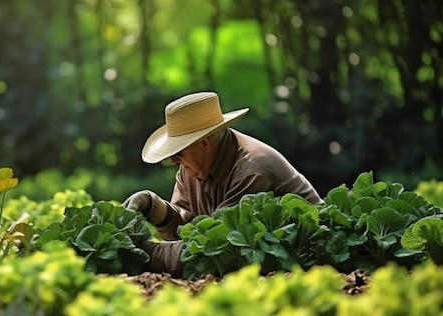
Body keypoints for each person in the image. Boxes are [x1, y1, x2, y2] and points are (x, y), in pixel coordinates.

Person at [122, 91, 323, 277]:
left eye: (179, 151)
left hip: (313, 260)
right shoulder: (191, 166)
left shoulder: (252, 171)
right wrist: (156, 209)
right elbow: (188, 230)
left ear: (204, 144)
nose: (173, 161)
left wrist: (141, 253)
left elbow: (211, 250)